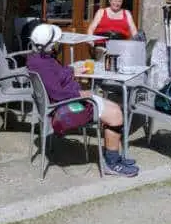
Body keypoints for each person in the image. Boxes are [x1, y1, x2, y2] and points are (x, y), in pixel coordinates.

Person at [25, 23, 139, 177]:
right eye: (55, 42)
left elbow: (55, 75)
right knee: (116, 114)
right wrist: (83, 94)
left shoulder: (37, 59)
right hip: (64, 108)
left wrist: (72, 70)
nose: (57, 45)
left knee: (114, 107)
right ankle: (112, 164)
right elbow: (58, 93)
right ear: (49, 44)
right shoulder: (44, 63)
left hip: (62, 102)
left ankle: (114, 156)